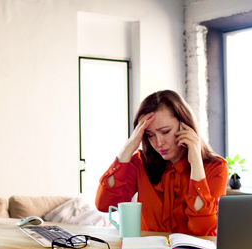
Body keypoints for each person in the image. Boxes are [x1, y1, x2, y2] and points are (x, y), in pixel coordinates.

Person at [95, 90, 228, 236]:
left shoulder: (215, 167)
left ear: (185, 126)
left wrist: (196, 161)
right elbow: (105, 204)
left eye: (165, 132)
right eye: (150, 135)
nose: (158, 143)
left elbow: (202, 229)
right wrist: (129, 146)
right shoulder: (140, 163)